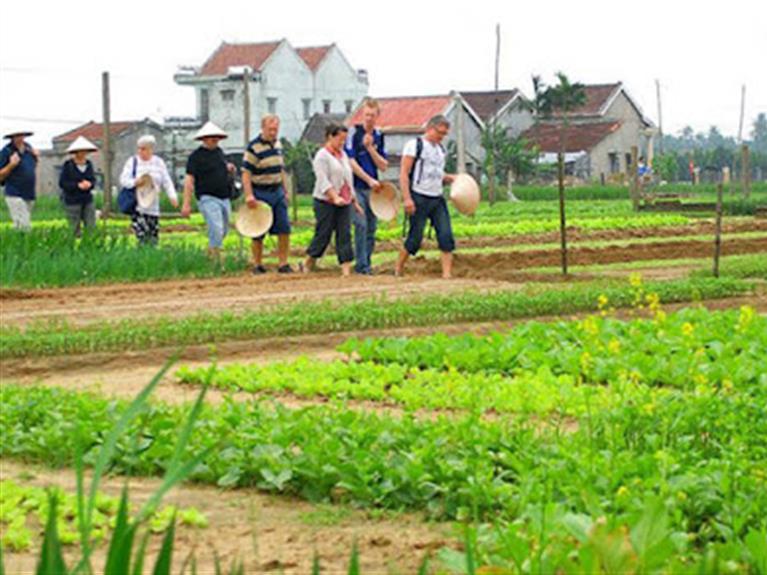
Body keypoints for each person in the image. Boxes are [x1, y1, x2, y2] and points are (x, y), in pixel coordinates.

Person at [395, 115, 457, 279]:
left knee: (445, 235)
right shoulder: (415, 145)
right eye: (439, 132)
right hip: (419, 196)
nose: (441, 137)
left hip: (437, 198)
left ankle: (447, 274)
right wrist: (407, 198)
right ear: (430, 128)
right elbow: (404, 173)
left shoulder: (440, 150)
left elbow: (437, 174)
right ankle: (399, 267)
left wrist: (450, 178)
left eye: (444, 134)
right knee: (415, 238)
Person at [303, 124, 363, 277]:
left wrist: (353, 201)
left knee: (345, 234)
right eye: (339, 139)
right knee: (323, 233)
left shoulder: (343, 155)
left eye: (344, 140)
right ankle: (309, 261)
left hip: (344, 201)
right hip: (325, 202)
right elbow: (323, 181)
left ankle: (346, 269)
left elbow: (348, 179)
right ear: (330, 136)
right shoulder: (322, 156)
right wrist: (334, 197)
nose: (342, 143)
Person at [242, 115, 292, 273]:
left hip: (277, 190)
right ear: (263, 128)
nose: (273, 132)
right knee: (258, 231)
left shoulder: (278, 145)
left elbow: (281, 169)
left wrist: (286, 190)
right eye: (270, 129)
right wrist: (249, 195)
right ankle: (257, 264)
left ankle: (283, 263)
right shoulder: (253, 147)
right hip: (260, 192)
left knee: (284, 228)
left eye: (275, 129)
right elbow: (246, 173)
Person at [345, 98, 388, 275]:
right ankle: (361, 265)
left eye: (372, 115)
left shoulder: (379, 135)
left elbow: (383, 165)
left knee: (371, 226)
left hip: (374, 189)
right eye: (366, 114)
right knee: (360, 224)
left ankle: (366, 263)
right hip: (357, 186)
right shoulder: (353, 133)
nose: (369, 118)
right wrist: (368, 179)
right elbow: (350, 161)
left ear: (377, 116)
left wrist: (371, 149)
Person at [182, 121, 236, 259]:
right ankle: (216, 259)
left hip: (224, 197)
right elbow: (189, 180)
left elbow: (221, 168)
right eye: (212, 137)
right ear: (204, 138)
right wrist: (186, 203)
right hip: (207, 197)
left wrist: (229, 168)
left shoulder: (220, 153)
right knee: (216, 228)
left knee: (223, 230)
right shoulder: (195, 157)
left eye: (217, 137)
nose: (215, 139)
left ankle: (211, 254)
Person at [119, 134, 178, 245]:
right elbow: (123, 180)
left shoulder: (158, 162)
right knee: (142, 236)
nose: (141, 151)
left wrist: (172, 196)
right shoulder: (132, 162)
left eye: (144, 149)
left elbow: (166, 181)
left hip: (153, 206)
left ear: (151, 149)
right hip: (138, 205)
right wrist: (135, 182)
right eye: (139, 148)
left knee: (153, 236)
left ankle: (151, 258)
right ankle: (142, 257)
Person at [58, 136, 98, 236]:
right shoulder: (68, 165)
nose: (83, 153)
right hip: (72, 200)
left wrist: (89, 184)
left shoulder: (89, 164)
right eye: (81, 151)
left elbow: (93, 180)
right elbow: (63, 183)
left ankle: (89, 245)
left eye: (85, 151)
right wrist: (77, 186)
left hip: (87, 199)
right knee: (74, 228)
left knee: (90, 225)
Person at [0, 129, 38, 230]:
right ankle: (24, 244)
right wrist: (11, 165)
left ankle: (18, 243)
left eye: (21, 135)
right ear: (12, 137)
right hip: (14, 193)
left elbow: (32, 168)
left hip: (29, 193)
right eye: (16, 136)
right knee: (24, 225)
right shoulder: (6, 151)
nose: (19, 138)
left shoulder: (29, 149)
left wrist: (36, 158)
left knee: (21, 224)